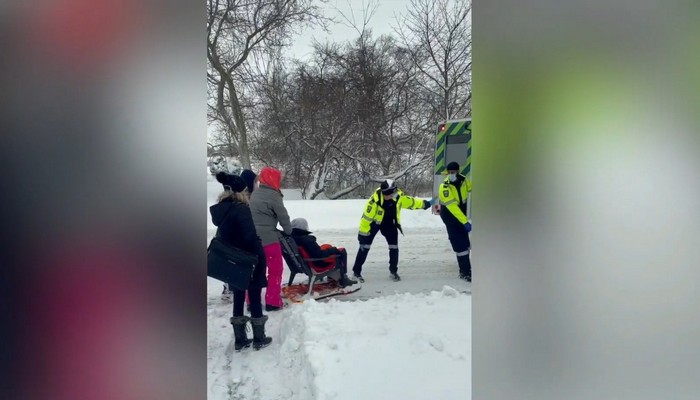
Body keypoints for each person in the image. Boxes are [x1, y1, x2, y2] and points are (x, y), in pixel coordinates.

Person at [210, 172, 272, 350]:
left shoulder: (222, 209)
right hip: (247, 259)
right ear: (241, 191)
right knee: (253, 294)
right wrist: (259, 257)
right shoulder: (241, 209)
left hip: (231, 261)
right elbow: (250, 237)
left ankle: (240, 339)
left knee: (238, 296)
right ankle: (259, 338)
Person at [351, 179, 434, 282]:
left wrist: (426, 204)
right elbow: (365, 220)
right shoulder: (373, 202)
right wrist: (363, 236)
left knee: (394, 247)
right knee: (365, 247)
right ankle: (356, 272)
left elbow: (411, 202)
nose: (390, 196)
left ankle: (393, 272)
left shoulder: (397, 197)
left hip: (390, 224)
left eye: (391, 194)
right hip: (374, 224)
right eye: (388, 195)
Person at [249, 166, 293, 311]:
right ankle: (273, 302)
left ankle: (251, 302)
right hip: (269, 241)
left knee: (254, 270)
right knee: (275, 270)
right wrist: (288, 231)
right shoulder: (274, 195)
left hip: (252, 240)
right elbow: (283, 217)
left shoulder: (254, 194)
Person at [290, 218, 357, 287]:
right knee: (342, 251)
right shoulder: (306, 239)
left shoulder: (292, 238)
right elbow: (319, 255)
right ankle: (343, 279)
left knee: (326, 246)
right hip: (317, 264)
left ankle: (333, 276)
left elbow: (315, 252)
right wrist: (333, 250)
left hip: (305, 263)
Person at [438, 162, 473, 281]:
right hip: (450, 216)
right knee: (459, 244)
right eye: (450, 172)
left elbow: (472, 191)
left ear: (458, 171)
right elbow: (452, 206)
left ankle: (466, 268)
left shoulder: (464, 180)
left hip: (461, 215)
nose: (451, 174)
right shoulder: (445, 186)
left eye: (454, 172)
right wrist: (464, 221)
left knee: (465, 243)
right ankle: (465, 272)